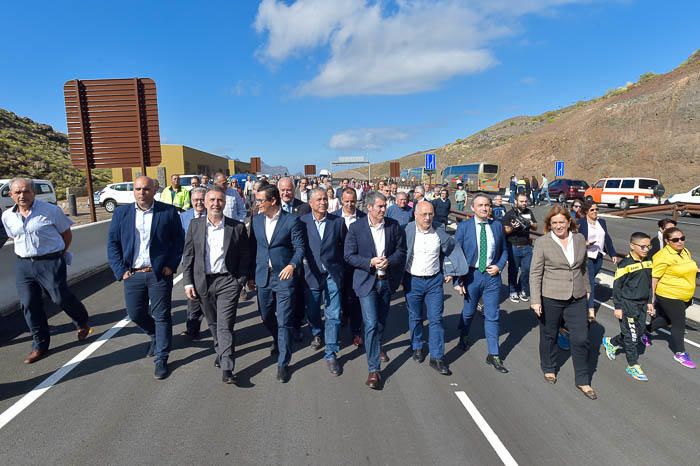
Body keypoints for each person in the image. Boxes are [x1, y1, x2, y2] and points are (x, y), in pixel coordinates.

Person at [2, 178, 92, 364]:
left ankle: (81, 320)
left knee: (59, 297)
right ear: (11, 195)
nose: (22, 195)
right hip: (24, 265)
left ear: (33, 193)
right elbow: (14, 237)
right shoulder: (7, 217)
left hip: (50, 261)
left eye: (26, 191)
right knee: (28, 304)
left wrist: (60, 254)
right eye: (17, 192)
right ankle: (40, 345)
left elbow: (66, 234)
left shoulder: (51, 211)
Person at [107, 176, 184, 379]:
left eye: (146, 189)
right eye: (138, 189)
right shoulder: (121, 213)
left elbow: (179, 240)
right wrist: (120, 270)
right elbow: (113, 243)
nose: (142, 193)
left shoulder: (167, 212)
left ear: (154, 190)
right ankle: (154, 335)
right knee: (135, 314)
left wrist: (171, 265)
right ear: (133, 191)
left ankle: (161, 358)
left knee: (162, 316)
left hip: (158, 274)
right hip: (133, 274)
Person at [182, 186, 251, 384]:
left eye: (219, 200)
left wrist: (241, 280)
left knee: (224, 325)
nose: (215, 204)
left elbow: (246, 256)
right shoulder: (195, 225)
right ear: (204, 202)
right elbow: (188, 256)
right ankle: (221, 351)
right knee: (212, 324)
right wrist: (188, 282)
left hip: (228, 281)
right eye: (211, 200)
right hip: (203, 281)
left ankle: (228, 367)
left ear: (225, 202)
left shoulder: (236, 227)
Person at [530, 205, 596, 399]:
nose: (558, 226)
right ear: (549, 225)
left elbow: (583, 267)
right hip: (551, 296)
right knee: (549, 334)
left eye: (561, 222)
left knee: (581, 338)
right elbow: (535, 272)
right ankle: (549, 367)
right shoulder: (543, 242)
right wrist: (535, 300)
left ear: (569, 222)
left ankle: (583, 380)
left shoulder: (579, 239)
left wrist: (588, 291)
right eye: (554, 223)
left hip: (576, 296)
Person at [344, 191, 407, 390]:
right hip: (366, 281)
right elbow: (348, 255)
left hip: (386, 282)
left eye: (384, 206)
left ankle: (377, 346)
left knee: (380, 321)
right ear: (369, 207)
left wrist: (390, 261)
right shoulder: (356, 228)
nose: (383, 209)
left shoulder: (393, 226)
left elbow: (401, 251)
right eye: (379, 206)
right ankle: (374, 369)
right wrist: (369, 262)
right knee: (370, 323)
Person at [404, 201, 468, 376]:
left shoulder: (439, 230)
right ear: (415, 215)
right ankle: (417, 346)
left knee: (436, 319)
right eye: (424, 214)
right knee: (415, 316)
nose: (427, 218)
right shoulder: (407, 230)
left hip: (434, 281)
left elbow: (450, 250)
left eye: (430, 214)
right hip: (413, 281)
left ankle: (437, 357)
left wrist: (449, 270)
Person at [248, 185, 304, 383]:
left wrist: (292, 265)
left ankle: (283, 363)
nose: (257, 205)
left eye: (260, 201)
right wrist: (250, 276)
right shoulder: (256, 221)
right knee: (265, 316)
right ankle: (278, 339)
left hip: (283, 277)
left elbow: (299, 249)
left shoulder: (291, 221)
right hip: (263, 276)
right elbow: (252, 249)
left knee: (284, 321)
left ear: (273, 201)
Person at [454, 194, 509, 373]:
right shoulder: (464, 227)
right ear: (473, 208)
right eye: (481, 205)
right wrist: (457, 280)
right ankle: (463, 334)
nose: (485, 208)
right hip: (471, 275)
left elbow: (504, 252)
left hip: (491, 277)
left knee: (492, 315)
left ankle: (493, 354)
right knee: (469, 312)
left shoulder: (497, 226)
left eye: (487, 205)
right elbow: (455, 254)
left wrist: (499, 267)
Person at [300, 188, 347, 375]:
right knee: (312, 311)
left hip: (332, 275)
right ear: (310, 203)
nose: (323, 202)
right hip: (311, 274)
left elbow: (345, 247)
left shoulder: (338, 222)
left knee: (333, 313)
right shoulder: (302, 222)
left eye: (325, 199)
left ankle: (331, 352)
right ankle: (317, 333)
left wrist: (340, 269)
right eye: (318, 199)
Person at [601, 232, 655, 381]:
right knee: (632, 337)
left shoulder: (649, 260)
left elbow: (649, 283)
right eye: (642, 246)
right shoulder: (625, 264)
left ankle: (611, 342)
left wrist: (650, 301)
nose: (646, 249)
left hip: (643, 304)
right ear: (632, 246)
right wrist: (617, 307)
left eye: (648, 246)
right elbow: (617, 287)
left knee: (639, 332)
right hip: (628, 304)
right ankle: (632, 365)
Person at [647, 227, 698, 369]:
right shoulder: (662, 256)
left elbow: (690, 268)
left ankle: (645, 330)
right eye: (675, 240)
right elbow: (655, 278)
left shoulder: (685, 251)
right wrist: (652, 299)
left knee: (668, 319)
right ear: (667, 241)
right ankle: (680, 353)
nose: (680, 242)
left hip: (685, 295)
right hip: (669, 294)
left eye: (682, 238)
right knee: (679, 323)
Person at [334, 188, 366, 346]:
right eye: (346, 201)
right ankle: (343, 316)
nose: (349, 204)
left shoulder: (364, 218)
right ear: (341, 201)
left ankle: (356, 331)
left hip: (357, 266)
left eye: (352, 201)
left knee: (355, 299)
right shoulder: (333, 218)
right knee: (341, 296)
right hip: (338, 266)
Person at [578, 201, 618, 313]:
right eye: (592, 210)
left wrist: (612, 253)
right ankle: (590, 308)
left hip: (599, 255)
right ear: (586, 211)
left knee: (587, 281)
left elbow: (607, 238)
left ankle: (580, 296)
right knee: (591, 282)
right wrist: (584, 243)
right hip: (586, 256)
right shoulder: (581, 223)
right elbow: (574, 239)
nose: (595, 211)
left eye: (596, 209)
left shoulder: (602, 222)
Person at [179, 186, 207, 339]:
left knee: (209, 297)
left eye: (202, 200)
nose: (199, 203)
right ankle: (192, 329)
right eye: (196, 200)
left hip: (208, 263)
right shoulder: (183, 217)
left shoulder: (213, 215)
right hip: (190, 263)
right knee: (192, 297)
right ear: (191, 201)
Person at [503, 193, 537, 303]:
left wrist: (530, 222)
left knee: (527, 270)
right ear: (516, 202)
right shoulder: (509, 214)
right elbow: (505, 230)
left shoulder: (529, 212)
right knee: (513, 271)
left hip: (527, 246)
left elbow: (536, 227)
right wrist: (513, 227)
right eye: (522, 201)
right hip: (513, 246)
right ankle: (513, 291)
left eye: (525, 201)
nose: (524, 203)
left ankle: (521, 289)